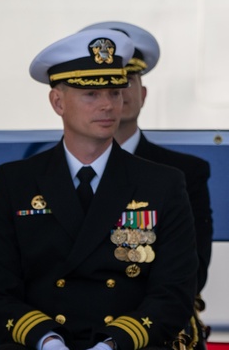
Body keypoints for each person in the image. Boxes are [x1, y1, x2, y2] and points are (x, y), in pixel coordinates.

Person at [0, 29, 198, 350]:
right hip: (39, 345)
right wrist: (47, 343)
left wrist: (108, 349)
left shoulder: (162, 183)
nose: (107, 106)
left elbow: (174, 290)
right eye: (91, 94)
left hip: (125, 348)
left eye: (114, 93)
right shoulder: (15, 181)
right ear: (57, 101)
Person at [81, 21, 213, 296]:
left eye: (125, 80)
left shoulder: (185, 173)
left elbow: (192, 275)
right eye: (100, 84)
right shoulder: (36, 175)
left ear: (142, 94)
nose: (113, 93)